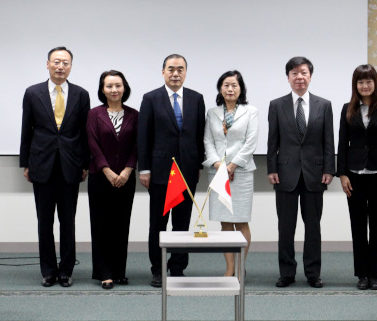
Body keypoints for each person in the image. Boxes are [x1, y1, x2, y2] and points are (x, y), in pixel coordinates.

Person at [20, 46, 90, 287]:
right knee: (44, 221)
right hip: (41, 165)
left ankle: (66, 270)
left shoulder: (81, 94)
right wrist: (25, 163)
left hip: (71, 166)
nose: (61, 66)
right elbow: (26, 130)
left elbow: (84, 133)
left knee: (68, 221)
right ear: (47, 64)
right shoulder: (32, 93)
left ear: (71, 67)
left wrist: (85, 163)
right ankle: (48, 270)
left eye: (66, 63)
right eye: (57, 62)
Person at [267, 56, 335, 288]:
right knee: (285, 227)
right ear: (288, 77)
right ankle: (286, 272)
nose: (299, 77)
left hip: (315, 174)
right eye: (294, 73)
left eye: (303, 72)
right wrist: (271, 169)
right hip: (285, 174)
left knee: (313, 227)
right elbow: (272, 141)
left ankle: (313, 273)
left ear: (310, 76)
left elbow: (329, 142)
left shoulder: (323, 105)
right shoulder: (277, 105)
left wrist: (329, 169)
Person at [138, 54, 205, 287]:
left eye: (180, 69)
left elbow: (199, 136)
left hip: (187, 170)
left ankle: (177, 267)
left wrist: (197, 165)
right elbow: (143, 136)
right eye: (171, 69)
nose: (175, 74)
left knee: (182, 223)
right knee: (158, 223)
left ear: (185, 72)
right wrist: (144, 169)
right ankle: (157, 269)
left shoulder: (197, 99)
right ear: (163, 72)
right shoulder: (150, 98)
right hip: (159, 171)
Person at [337, 64, 377, 290]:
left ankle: (376, 274)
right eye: (360, 82)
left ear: (375, 83)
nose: (364, 85)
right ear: (356, 85)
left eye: (368, 81)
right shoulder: (347, 109)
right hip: (353, 176)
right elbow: (342, 144)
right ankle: (362, 274)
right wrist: (342, 174)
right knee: (358, 225)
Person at [203, 70, 258, 276]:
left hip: (241, 172)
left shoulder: (251, 111)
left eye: (234, 85)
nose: (230, 89)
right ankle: (229, 269)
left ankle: (241, 267)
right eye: (226, 85)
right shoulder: (212, 113)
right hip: (218, 172)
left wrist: (233, 165)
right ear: (220, 88)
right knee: (225, 221)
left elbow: (251, 142)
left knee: (241, 220)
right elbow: (208, 141)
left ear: (241, 88)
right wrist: (218, 164)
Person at [87, 70, 138, 290]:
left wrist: (127, 170)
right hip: (100, 177)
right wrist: (106, 170)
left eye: (118, 85)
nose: (114, 90)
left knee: (121, 224)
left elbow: (138, 145)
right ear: (102, 89)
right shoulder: (94, 114)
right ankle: (104, 272)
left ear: (124, 87)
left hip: (126, 179)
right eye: (109, 86)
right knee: (101, 225)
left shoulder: (135, 114)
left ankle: (119, 272)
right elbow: (92, 144)